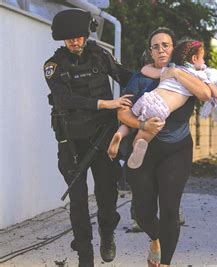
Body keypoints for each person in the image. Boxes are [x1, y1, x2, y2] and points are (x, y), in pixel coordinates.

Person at [44, 9, 133, 266]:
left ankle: (107, 233)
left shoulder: (100, 56)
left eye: (79, 36)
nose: (74, 41)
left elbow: (125, 77)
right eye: (69, 38)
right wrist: (105, 104)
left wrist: (158, 77)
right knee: (78, 202)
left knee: (107, 196)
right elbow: (65, 100)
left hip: (103, 137)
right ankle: (85, 256)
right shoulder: (54, 66)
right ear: (62, 39)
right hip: (72, 142)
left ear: (86, 35)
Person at [116, 27, 212, 266]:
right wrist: (142, 123)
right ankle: (155, 238)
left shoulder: (186, 73)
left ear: (174, 48)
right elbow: (122, 112)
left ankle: (165, 262)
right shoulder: (140, 78)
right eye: (156, 46)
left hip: (176, 150)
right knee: (143, 212)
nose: (161, 49)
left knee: (170, 208)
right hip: (145, 149)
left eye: (165, 45)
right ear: (150, 51)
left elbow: (205, 93)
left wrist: (176, 75)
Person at [107, 39, 217, 169]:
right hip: (161, 109)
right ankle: (138, 144)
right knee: (146, 133)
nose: (204, 62)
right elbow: (213, 94)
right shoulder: (198, 75)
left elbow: (146, 70)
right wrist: (212, 85)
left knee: (131, 120)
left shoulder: (170, 69)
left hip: (148, 98)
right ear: (194, 59)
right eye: (203, 59)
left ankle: (119, 134)